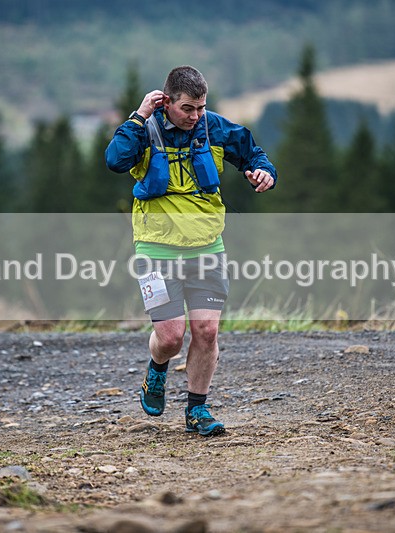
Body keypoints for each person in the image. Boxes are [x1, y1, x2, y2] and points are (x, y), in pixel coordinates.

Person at [105, 65, 276, 437]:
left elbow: (252, 152)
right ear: (167, 102)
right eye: (187, 109)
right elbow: (115, 160)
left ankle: (197, 410)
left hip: (206, 247)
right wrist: (138, 116)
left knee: (206, 331)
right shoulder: (144, 129)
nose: (195, 116)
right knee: (170, 336)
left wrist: (264, 172)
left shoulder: (212, 127)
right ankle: (156, 369)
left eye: (200, 107)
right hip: (155, 248)